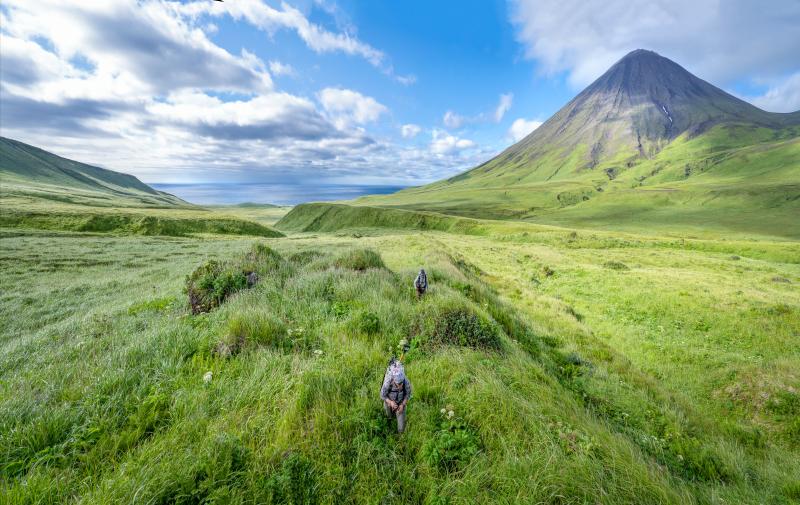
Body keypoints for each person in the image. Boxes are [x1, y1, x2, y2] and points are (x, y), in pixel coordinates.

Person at [380, 360, 412, 433]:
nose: (400, 386)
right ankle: (389, 418)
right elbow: (382, 395)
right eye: (398, 383)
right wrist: (390, 402)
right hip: (389, 401)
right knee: (388, 416)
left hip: (400, 402)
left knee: (401, 429)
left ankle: (400, 435)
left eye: (401, 383)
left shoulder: (406, 381)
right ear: (393, 380)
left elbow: (408, 394)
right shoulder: (388, 382)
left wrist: (403, 404)